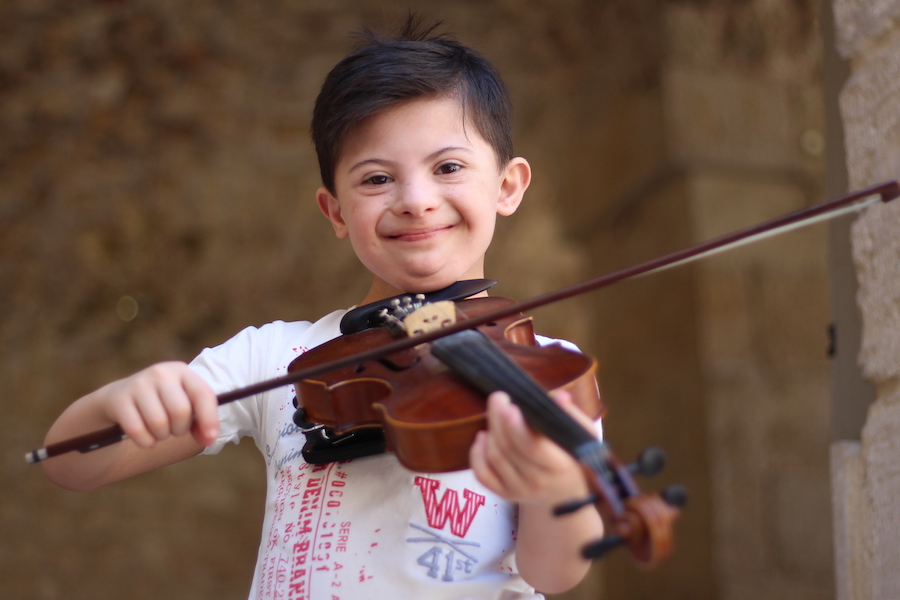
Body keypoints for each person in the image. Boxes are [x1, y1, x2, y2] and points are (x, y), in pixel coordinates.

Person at [41, 18, 604, 600]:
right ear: (335, 212)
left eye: (448, 167)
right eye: (378, 178)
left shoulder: (547, 371)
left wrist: (558, 488)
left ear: (508, 186)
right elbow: (70, 464)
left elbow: (555, 572)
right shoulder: (280, 358)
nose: (416, 201)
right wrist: (117, 403)